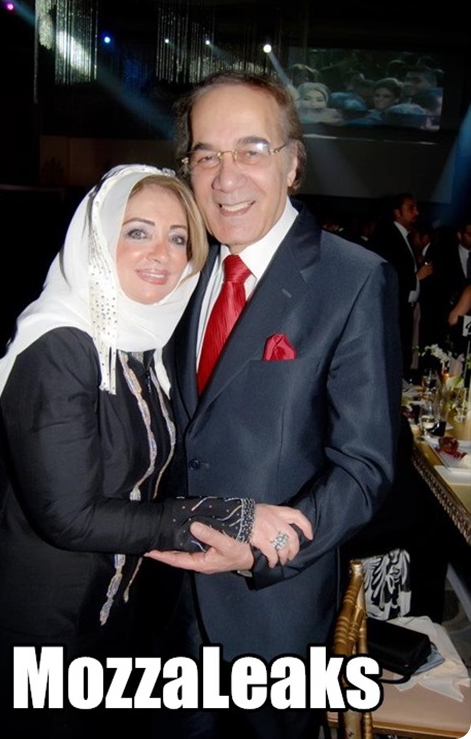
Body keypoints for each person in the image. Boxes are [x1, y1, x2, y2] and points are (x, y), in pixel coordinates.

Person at [0, 163, 311, 739]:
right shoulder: (62, 344)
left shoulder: (142, 345)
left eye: (178, 238)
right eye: (138, 231)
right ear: (99, 239)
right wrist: (232, 518)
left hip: (107, 615)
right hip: (35, 627)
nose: (161, 254)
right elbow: (69, 515)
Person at [146, 71, 402, 739]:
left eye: (251, 150)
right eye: (206, 154)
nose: (225, 176)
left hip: (272, 621)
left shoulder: (352, 279)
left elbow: (364, 469)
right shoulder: (177, 269)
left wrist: (264, 549)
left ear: (292, 164)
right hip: (164, 608)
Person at [369, 192, 433, 376]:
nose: (416, 213)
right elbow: (387, 273)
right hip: (393, 310)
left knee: (402, 359)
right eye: (411, 208)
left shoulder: (404, 237)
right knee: (393, 362)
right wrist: (416, 277)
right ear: (397, 212)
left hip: (404, 309)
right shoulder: (388, 236)